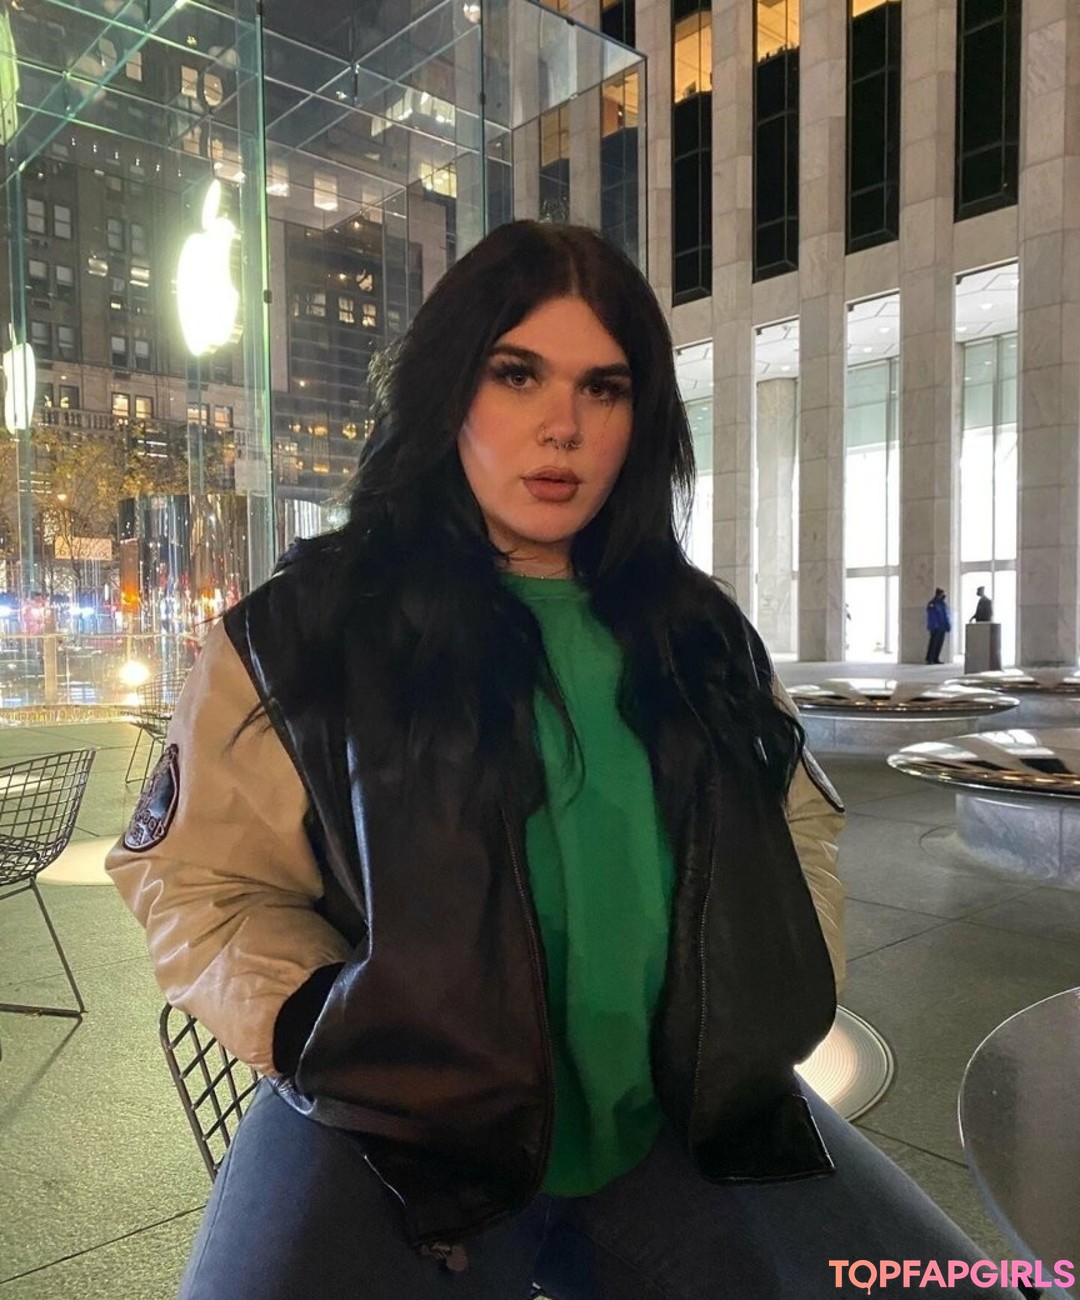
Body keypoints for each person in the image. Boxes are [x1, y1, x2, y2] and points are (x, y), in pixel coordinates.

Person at [107, 222, 1027, 1300]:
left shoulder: (702, 635)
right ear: (450, 389)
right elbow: (198, 881)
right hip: (396, 1132)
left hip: (682, 1123)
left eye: (604, 387)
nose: (563, 426)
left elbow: (800, 824)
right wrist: (323, 1026)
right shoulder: (300, 633)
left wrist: (754, 1008)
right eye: (518, 374)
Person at [925, 587, 952, 664]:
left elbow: (945, 615)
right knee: (933, 644)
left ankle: (936, 658)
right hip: (935, 627)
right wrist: (934, 626)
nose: (944, 596)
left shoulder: (943, 604)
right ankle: (929, 659)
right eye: (942, 594)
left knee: (939, 643)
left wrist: (948, 625)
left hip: (942, 627)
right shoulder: (932, 604)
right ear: (938, 594)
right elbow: (932, 616)